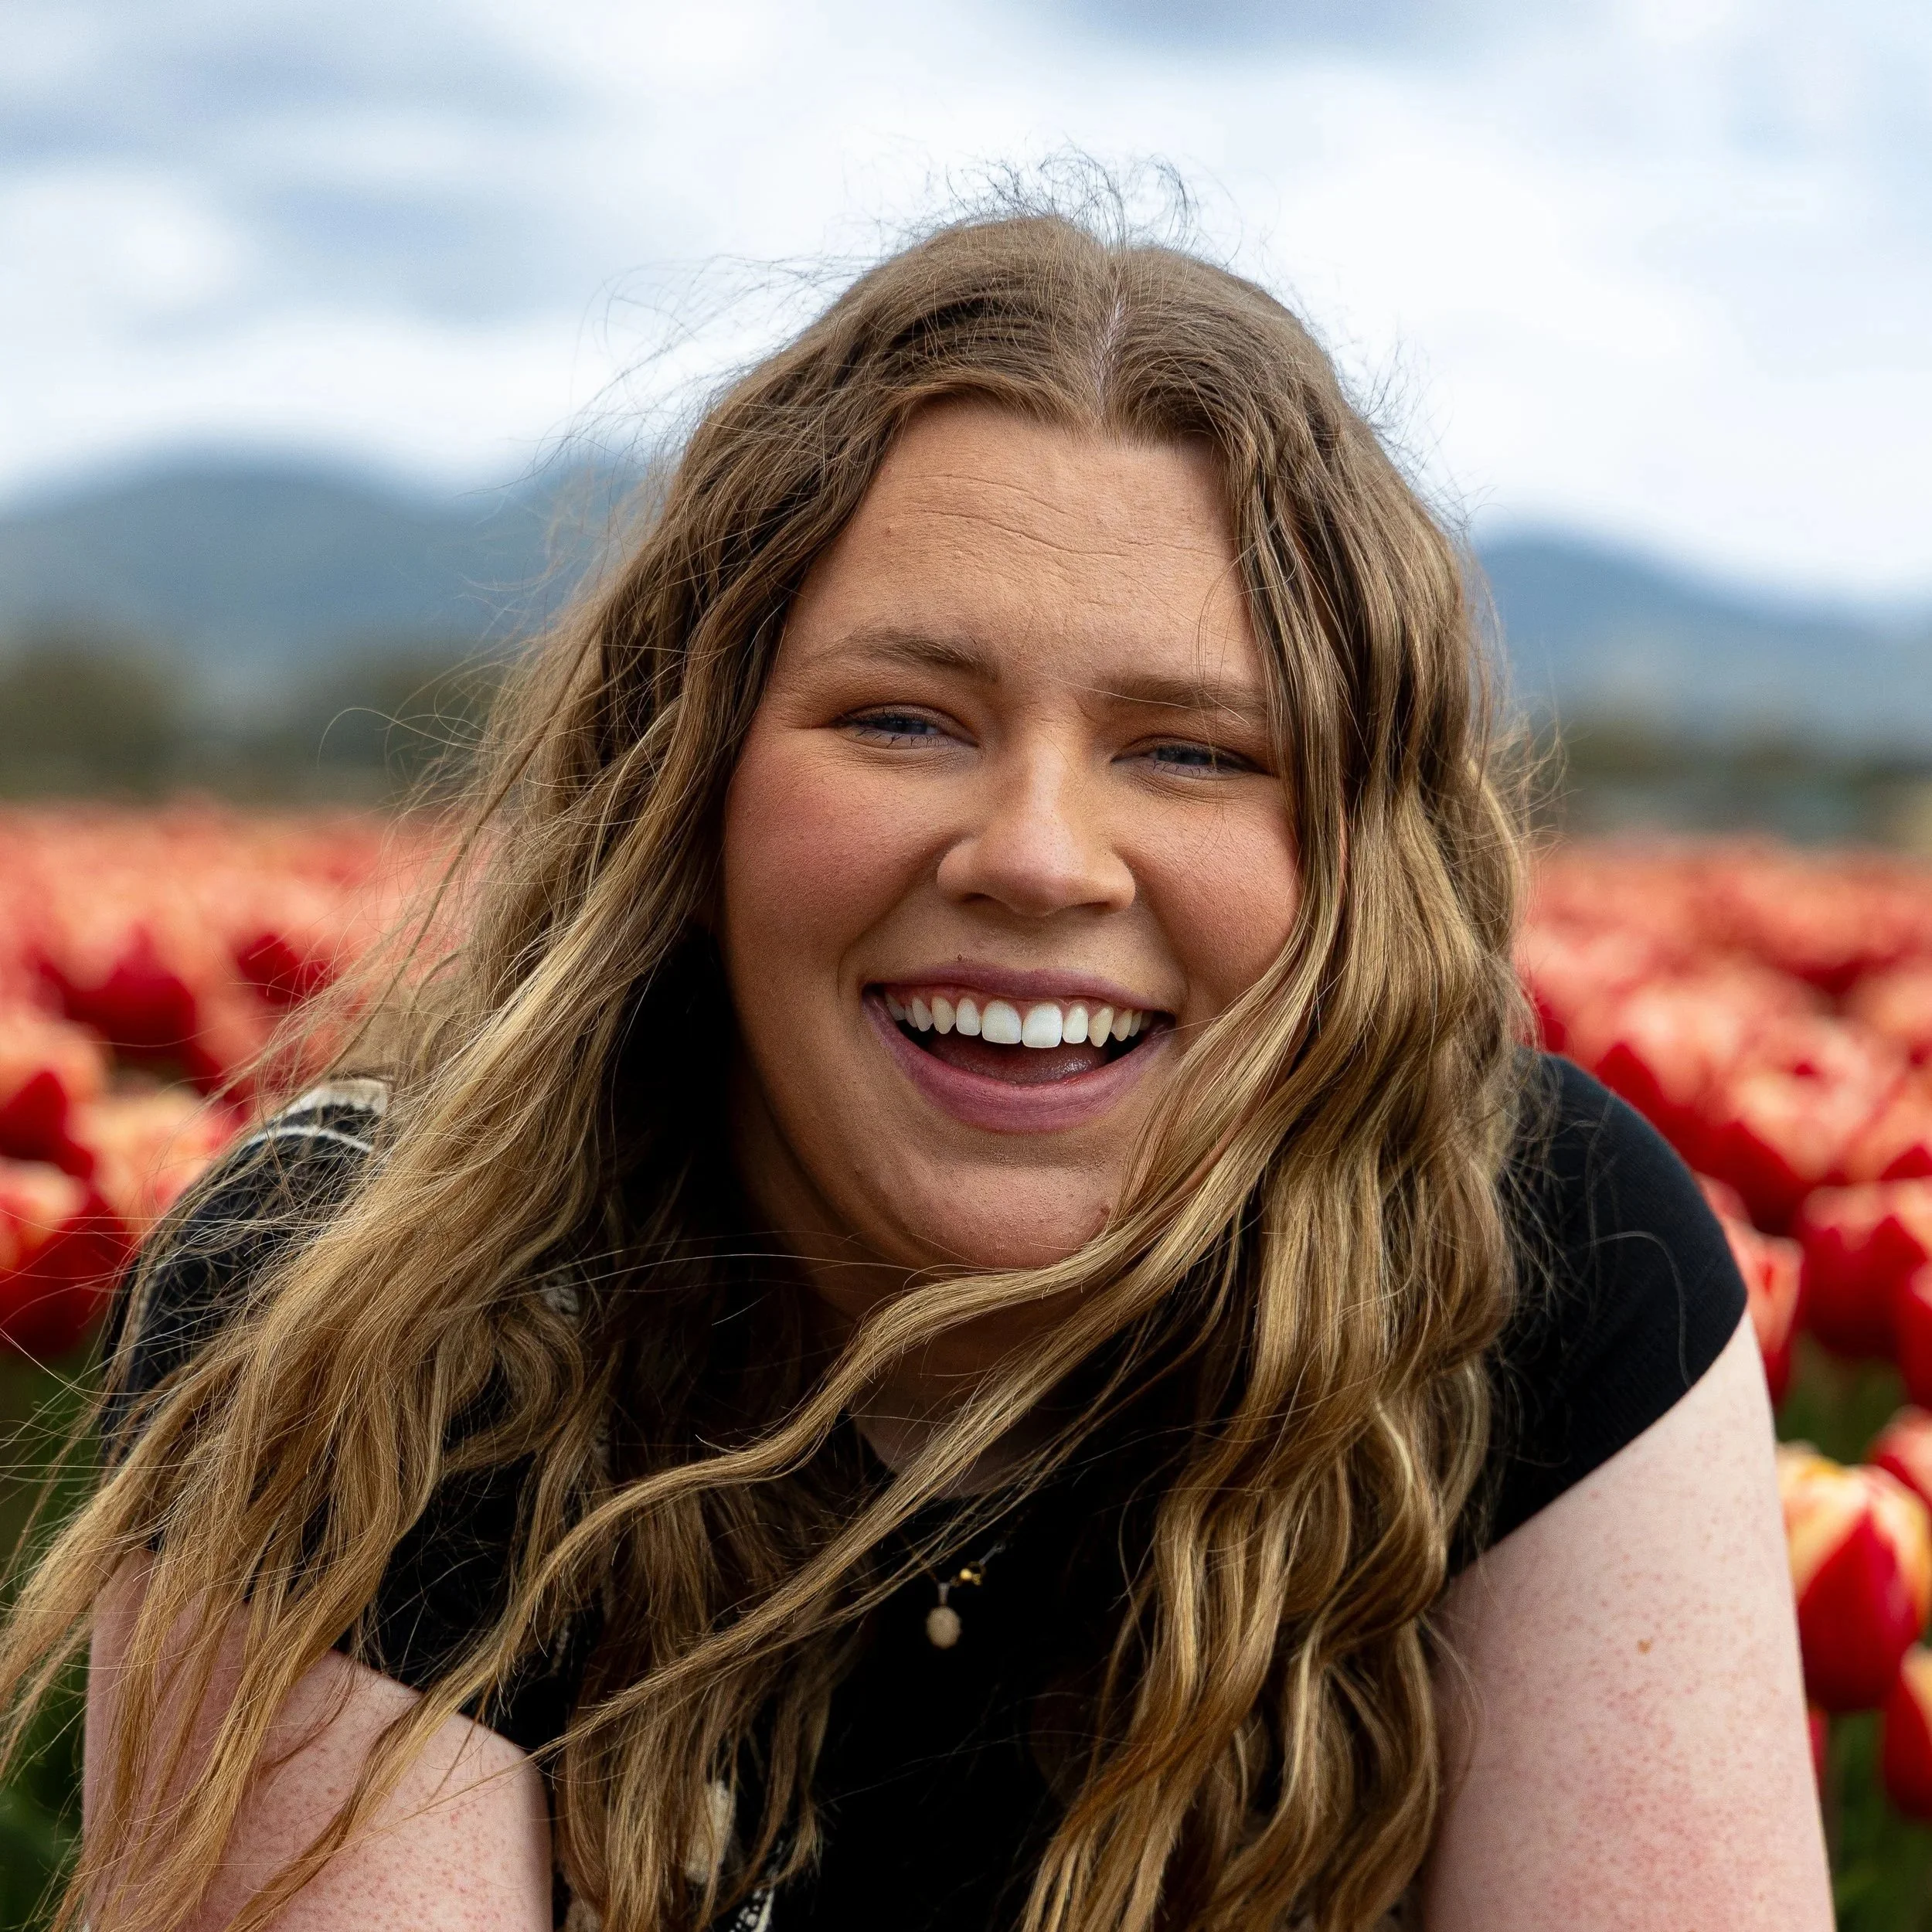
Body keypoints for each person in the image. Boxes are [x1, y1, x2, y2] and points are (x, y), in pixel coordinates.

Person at [1, 209, 1826, 1932]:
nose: (1037, 854)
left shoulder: (1541, 1257)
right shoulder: (371, 1304)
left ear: (1351, 859)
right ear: (688, 783)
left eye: (1191, 750)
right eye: (900, 719)